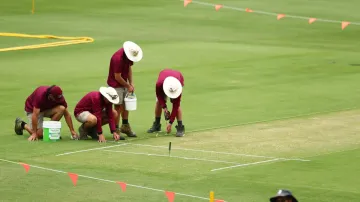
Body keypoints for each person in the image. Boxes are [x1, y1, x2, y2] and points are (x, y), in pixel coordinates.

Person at [14, 85, 79, 141]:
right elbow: (35, 114)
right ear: (50, 96)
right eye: (56, 99)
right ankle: (22, 124)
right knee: (39, 135)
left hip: (46, 108)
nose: (59, 100)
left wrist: (72, 130)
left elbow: (67, 114)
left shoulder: (59, 97)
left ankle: (49, 129)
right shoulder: (40, 95)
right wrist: (34, 133)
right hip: (32, 109)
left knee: (62, 109)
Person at [107, 41, 143, 138]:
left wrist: (131, 83)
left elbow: (129, 69)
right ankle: (116, 129)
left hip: (124, 83)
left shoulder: (128, 56)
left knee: (126, 104)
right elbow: (117, 77)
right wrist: (128, 86)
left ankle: (125, 126)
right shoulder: (117, 58)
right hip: (115, 85)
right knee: (118, 107)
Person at [147, 69, 185, 137]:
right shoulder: (159, 84)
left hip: (178, 78)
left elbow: (176, 106)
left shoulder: (178, 87)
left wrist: (170, 122)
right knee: (159, 102)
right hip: (164, 79)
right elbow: (159, 96)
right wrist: (164, 107)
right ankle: (157, 124)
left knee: (176, 104)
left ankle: (180, 126)